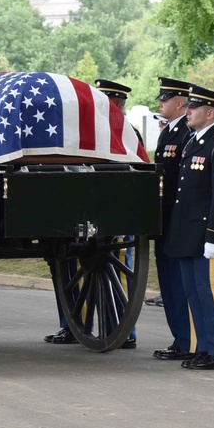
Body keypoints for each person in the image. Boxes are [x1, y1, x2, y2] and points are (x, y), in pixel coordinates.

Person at [44, 78, 138, 349]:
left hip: (115, 216)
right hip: (82, 215)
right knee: (68, 270)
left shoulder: (127, 135)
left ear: (116, 106)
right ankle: (76, 325)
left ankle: (122, 330)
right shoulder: (84, 134)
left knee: (117, 268)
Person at [163, 84, 214, 371]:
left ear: (210, 113)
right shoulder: (194, 141)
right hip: (188, 233)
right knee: (194, 292)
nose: (188, 111)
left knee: (211, 292)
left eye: (193, 108)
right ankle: (203, 348)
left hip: (208, 234)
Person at [152, 78, 195, 361]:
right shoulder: (168, 131)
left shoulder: (186, 134)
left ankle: (187, 339)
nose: (160, 103)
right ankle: (179, 338)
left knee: (179, 283)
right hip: (164, 218)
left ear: (180, 103)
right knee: (168, 282)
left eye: (164, 99)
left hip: (177, 219)